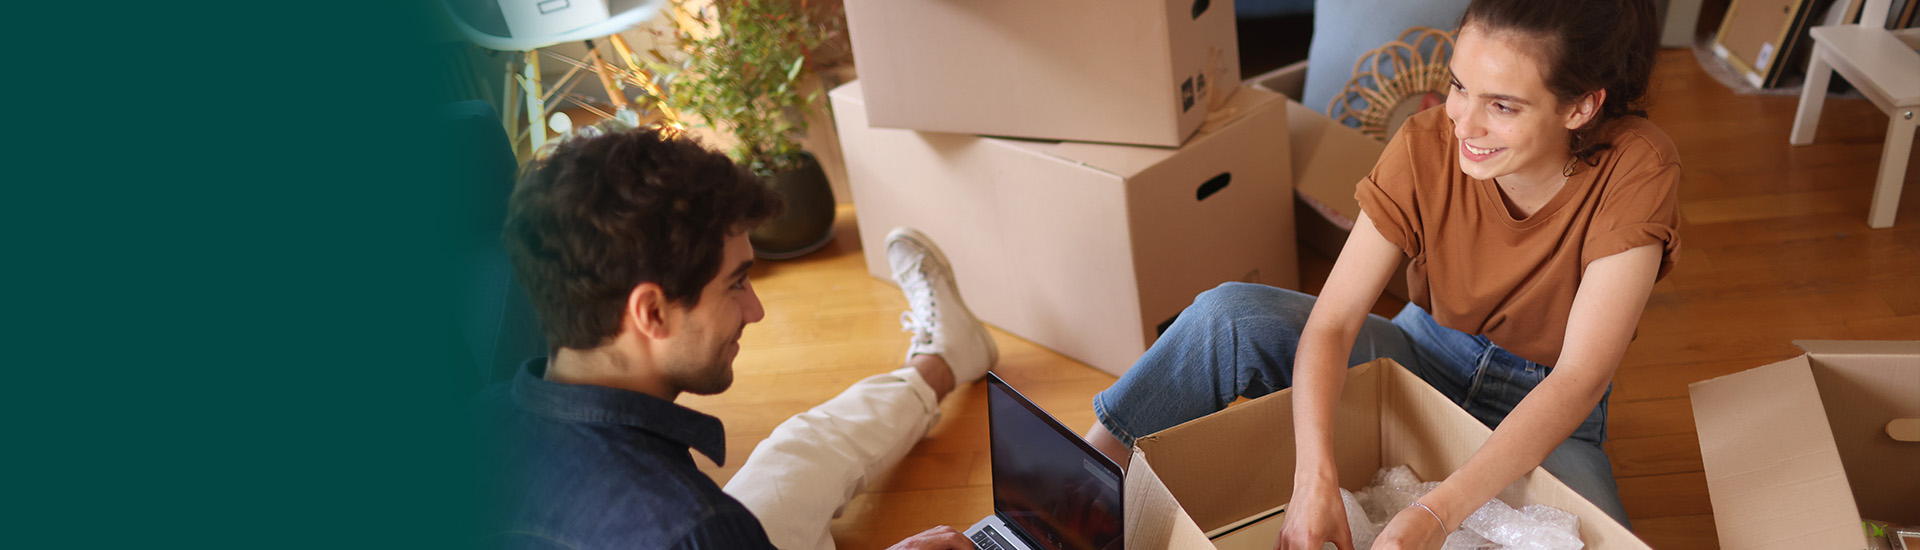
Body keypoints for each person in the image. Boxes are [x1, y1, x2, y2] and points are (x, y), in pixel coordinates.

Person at [1078, 1, 1676, 549]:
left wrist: (1435, 513)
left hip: (1548, 401)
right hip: (1420, 355)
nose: (1463, 123)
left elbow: (1577, 379)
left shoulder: (1639, 169)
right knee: (1229, 316)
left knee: (1596, 541)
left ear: (1580, 106)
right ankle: (1071, 486)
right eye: (1459, 86)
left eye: (1502, 106)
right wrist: (1313, 480)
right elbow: (1333, 322)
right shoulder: (1426, 142)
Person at [474, 126, 1000, 550]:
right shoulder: (695, 527)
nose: (756, 309)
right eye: (737, 282)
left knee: (797, 452)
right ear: (651, 312)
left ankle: (943, 359)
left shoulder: (474, 426)